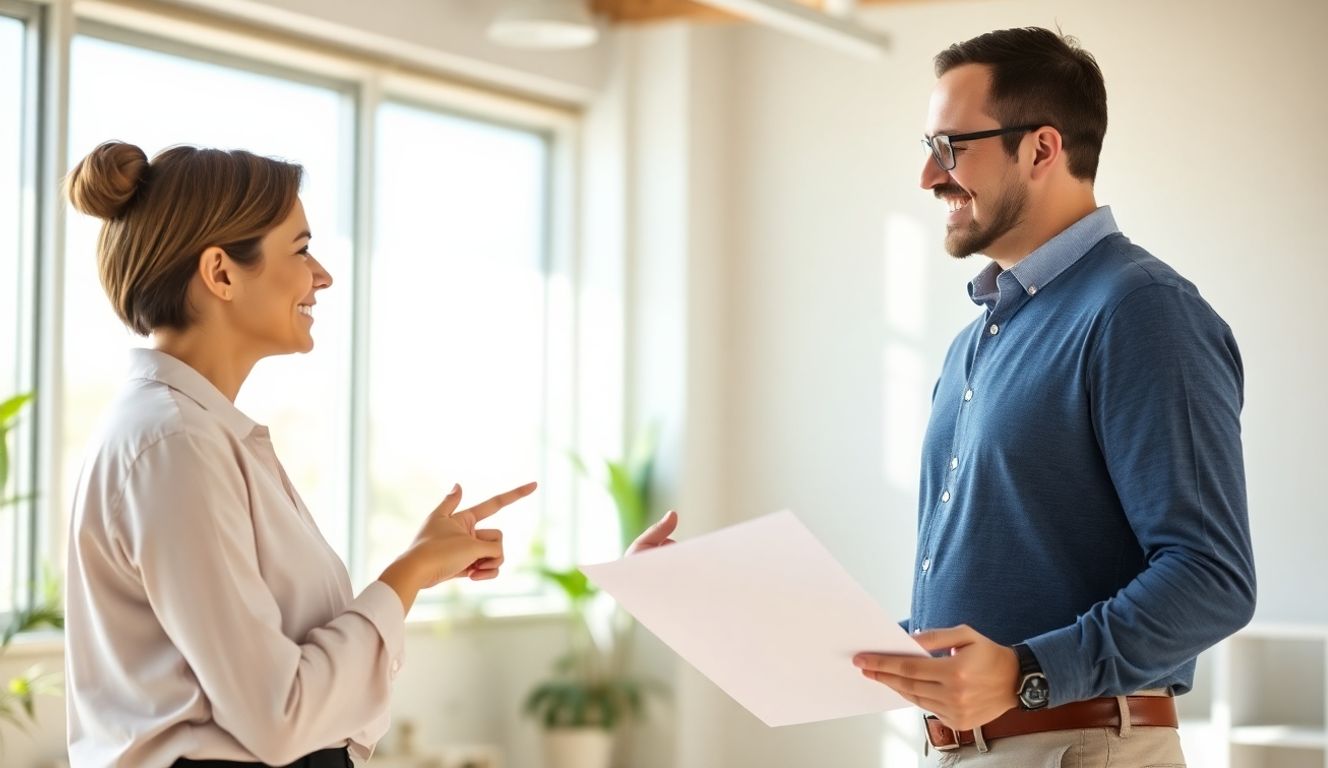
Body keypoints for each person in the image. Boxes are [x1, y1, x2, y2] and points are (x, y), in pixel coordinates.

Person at [633, 27, 1256, 766]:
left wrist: (1026, 675)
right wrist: (722, 605)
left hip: (1077, 746)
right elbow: (978, 627)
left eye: (951, 147)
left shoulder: (1140, 311)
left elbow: (1213, 578)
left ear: (1041, 149)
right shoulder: (975, 344)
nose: (929, 177)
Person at [62, 141, 537, 768]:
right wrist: (409, 572)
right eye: (302, 248)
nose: (323, 276)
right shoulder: (175, 444)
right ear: (222, 273)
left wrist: (418, 564)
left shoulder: (197, 434)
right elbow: (279, 714)